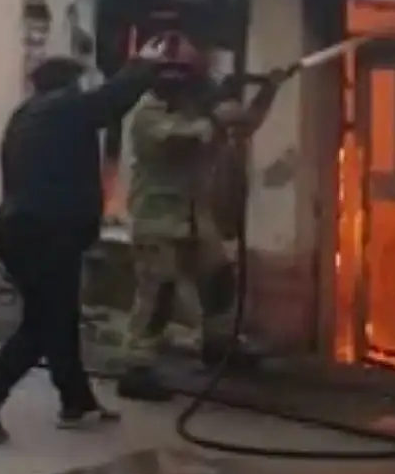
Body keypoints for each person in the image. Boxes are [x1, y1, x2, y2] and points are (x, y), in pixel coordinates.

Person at [0, 54, 161, 443]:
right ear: (69, 83)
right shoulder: (62, 109)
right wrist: (143, 66)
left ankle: (76, 401)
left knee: (58, 317)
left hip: (23, 229)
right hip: (47, 233)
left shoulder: (27, 114)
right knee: (44, 324)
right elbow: (110, 101)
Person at [116, 30, 286, 403]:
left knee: (219, 279)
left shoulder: (193, 108)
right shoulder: (147, 114)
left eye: (185, 72)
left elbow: (243, 124)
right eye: (171, 72)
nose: (178, 80)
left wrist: (268, 91)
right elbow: (191, 137)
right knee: (158, 294)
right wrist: (218, 109)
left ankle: (219, 345)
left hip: (195, 215)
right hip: (158, 219)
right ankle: (136, 366)